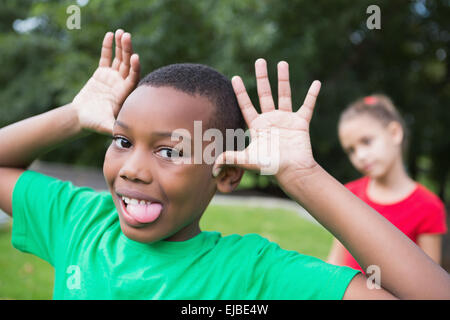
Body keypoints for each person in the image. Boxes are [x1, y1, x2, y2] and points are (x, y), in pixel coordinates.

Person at [0, 29, 449, 300]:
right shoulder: (77, 221)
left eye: (170, 151)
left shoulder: (253, 274)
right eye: (121, 140)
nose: (132, 168)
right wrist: (74, 117)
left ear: (226, 173)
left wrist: (302, 176)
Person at [327, 95, 447, 272]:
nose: (359, 156)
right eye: (351, 150)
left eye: (366, 141)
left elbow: (432, 283)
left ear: (394, 133)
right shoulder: (348, 194)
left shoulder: (429, 207)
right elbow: (335, 263)